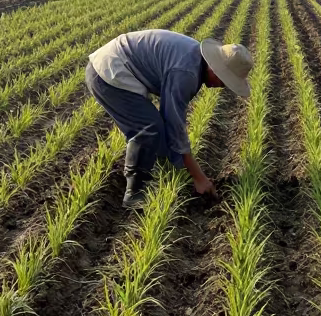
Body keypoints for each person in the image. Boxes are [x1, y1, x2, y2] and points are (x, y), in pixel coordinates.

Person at [85, 29, 253, 208]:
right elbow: (174, 124)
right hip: (108, 73)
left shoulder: (194, 60)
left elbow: (171, 125)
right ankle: (134, 193)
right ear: (214, 69)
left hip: (115, 65)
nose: (221, 86)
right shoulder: (186, 73)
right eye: (224, 81)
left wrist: (185, 170)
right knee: (149, 128)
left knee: (158, 129)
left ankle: (166, 173)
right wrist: (199, 177)